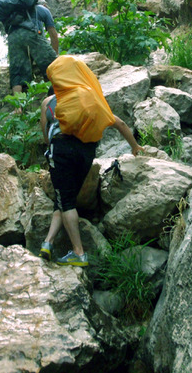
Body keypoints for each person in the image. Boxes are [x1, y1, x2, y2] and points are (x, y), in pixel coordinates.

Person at [38, 57, 143, 266]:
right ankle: (47, 244)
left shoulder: (49, 102)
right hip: (87, 152)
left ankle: (78, 252)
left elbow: (45, 135)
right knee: (65, 199)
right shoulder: (90, 98)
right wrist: (135, 147)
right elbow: (119, 123)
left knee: (66, 201)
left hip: (62, 151)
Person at [7, 0, 59, 95]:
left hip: (12, 36)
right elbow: (53, 35)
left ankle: (18, 106)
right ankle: (55, 96)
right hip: (30, 34)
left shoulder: (17, 13)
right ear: (44, 5)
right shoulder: (43, 10)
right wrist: (55, 56)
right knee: (52, 65)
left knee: (17, 70)